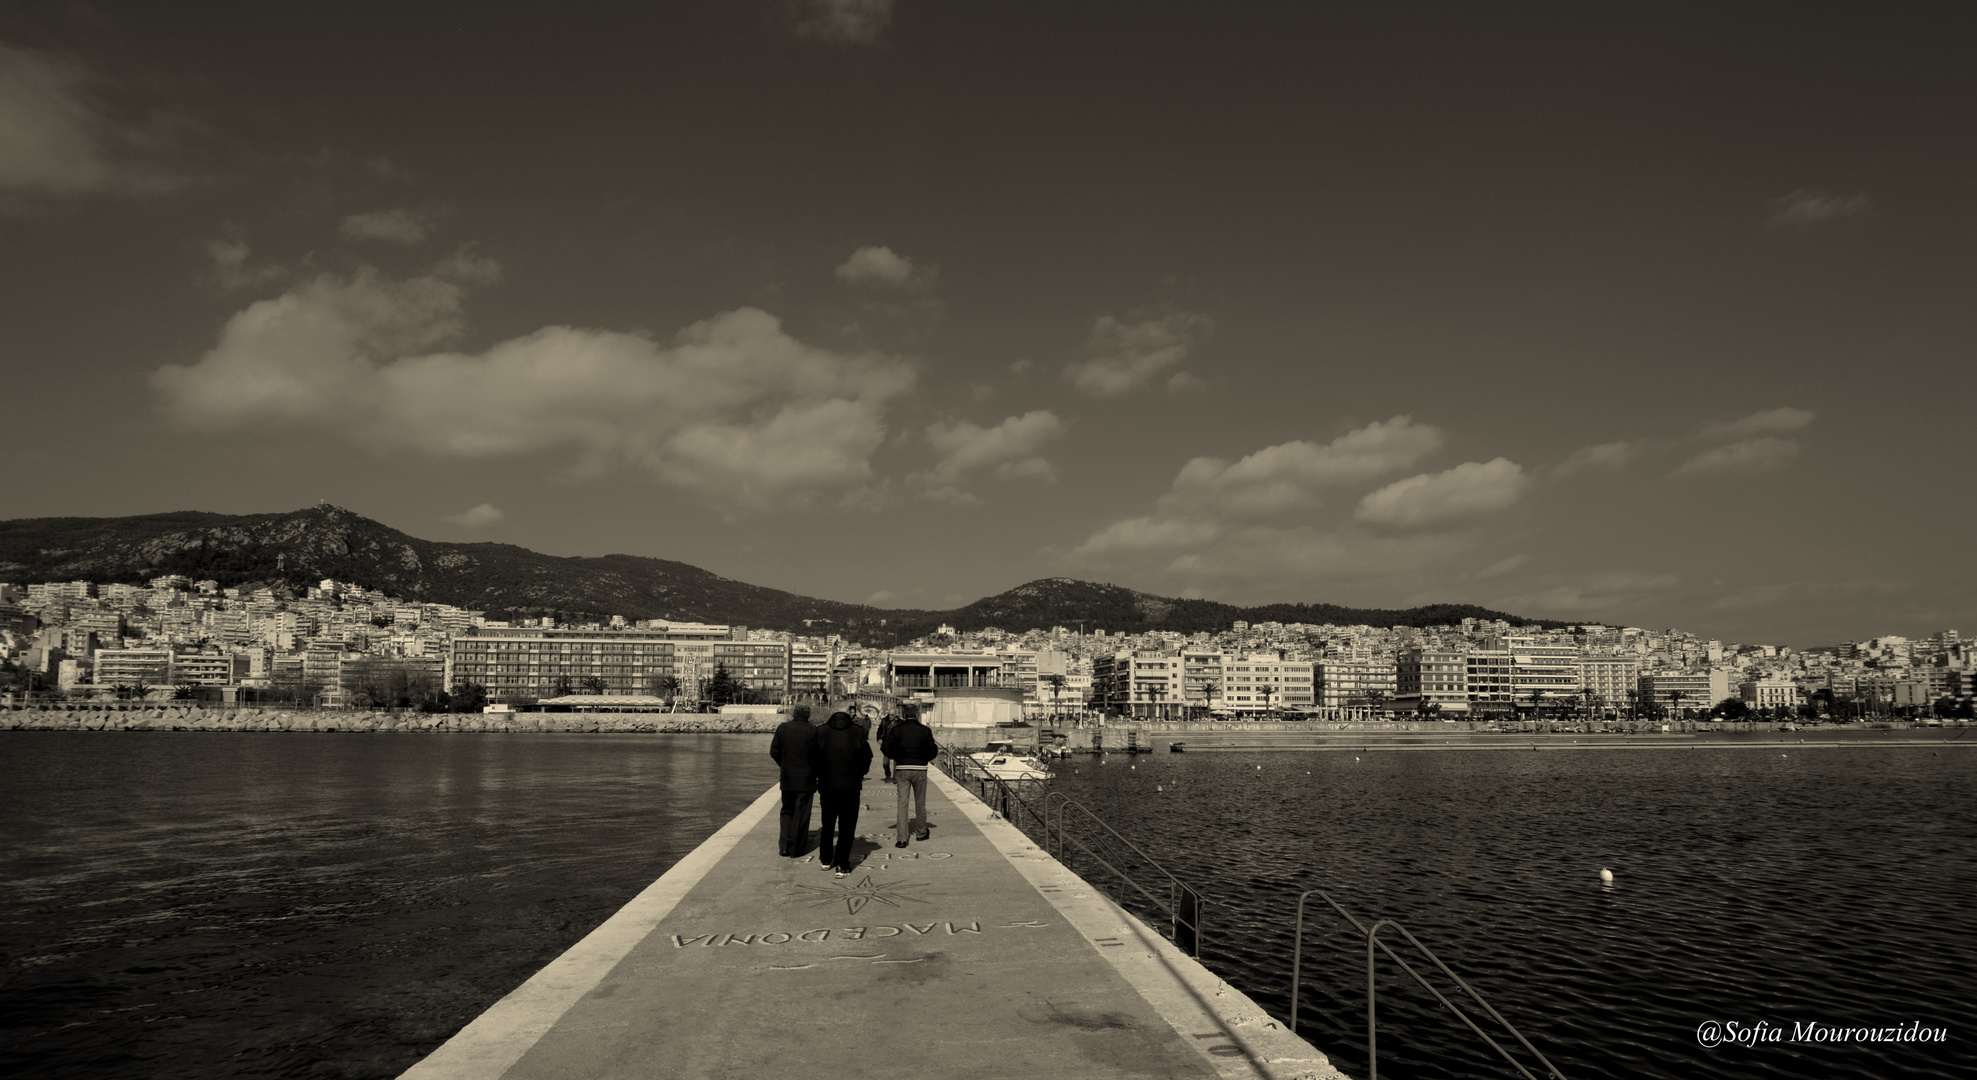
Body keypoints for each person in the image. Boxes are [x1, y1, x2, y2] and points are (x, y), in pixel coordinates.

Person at [810, 710, 872, 877]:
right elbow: (867, 757)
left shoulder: (821, 731)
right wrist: (859, 773)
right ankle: (842, 865)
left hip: (827, 786)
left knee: (828, 824)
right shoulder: (858, 732)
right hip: (851, 787)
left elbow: (812, 757)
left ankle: (825, 859)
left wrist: (819, 775)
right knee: (847, 827)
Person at [881, 703, 939, 847]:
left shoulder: (896, 730)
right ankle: (920, 832)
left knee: (902, 803)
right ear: (917, 714)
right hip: (920, 769)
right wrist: (923, 758)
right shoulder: (925, 731)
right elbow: (932, 751)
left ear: (904, 715)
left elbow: (885, 748)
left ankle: (902, 838)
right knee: (920, 802)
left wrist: (897, 756)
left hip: (902, 769)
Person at [768, 705, 818, 857]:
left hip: (788, 778)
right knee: (802, 813)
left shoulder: (783, 728)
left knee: (787, 811)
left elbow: (774, 752)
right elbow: (819, 755)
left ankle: (784, 846)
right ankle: (797, 848)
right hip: (807, 779)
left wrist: (784, 765)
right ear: (808, 715)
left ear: (794, 714)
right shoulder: (814, 731)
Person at [875, 708, 899, 783]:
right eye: (889, 714)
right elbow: (879, 731)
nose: (890, 716)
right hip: (887, 745)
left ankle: (895, 778)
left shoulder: (900, 722)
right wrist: (879, 738)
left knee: (896, 763)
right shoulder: (884, 721)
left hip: (896, 745)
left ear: (895, 715)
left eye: (892, 715)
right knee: (885, 763)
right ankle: (888, 775)